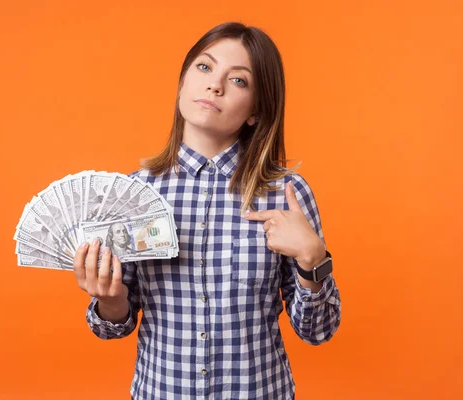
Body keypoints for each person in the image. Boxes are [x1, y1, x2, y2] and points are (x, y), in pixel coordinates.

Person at [73, 21, 342, 399]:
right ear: (182, 82)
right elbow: (111, 326)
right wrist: (110, 298)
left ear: (255, 111)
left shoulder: (286, 194)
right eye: (204, 67)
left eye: (239, 81)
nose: (214, 84)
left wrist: (313, 261)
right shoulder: (133, 193)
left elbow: (319, 331)